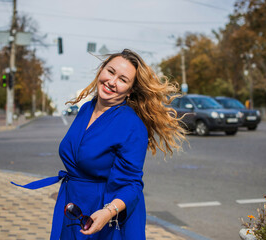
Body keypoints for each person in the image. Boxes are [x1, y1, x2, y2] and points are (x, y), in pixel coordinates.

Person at [12, 49, 185, 240]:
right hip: (74, 206)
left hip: (105, 214)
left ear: (130, 90)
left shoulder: (131, 124)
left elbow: (133, 185)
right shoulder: (87, 108)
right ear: (101, 70)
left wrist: (108, 212)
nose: (112, 81)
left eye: (123, 79)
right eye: (110, 72)